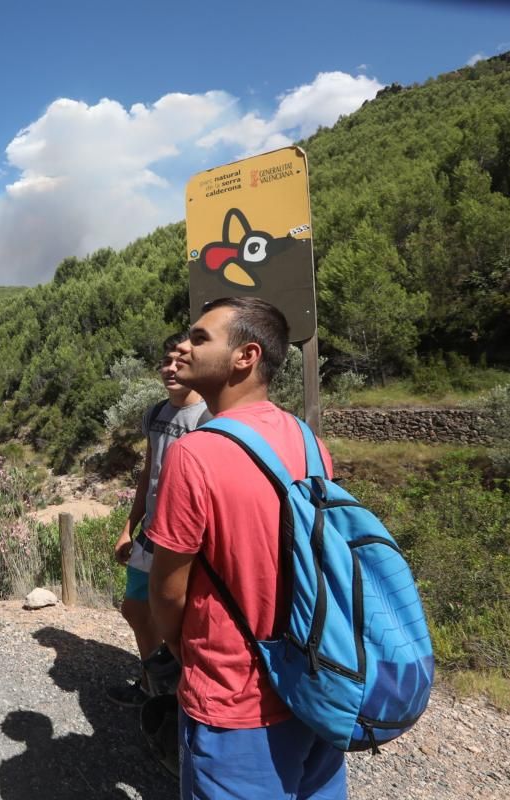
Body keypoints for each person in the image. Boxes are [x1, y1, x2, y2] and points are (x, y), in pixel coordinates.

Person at [148, 296, 346, 799]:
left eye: (200, 337)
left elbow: (168, 591)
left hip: (235, 697)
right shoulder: (306, 439)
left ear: (246, 356)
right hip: (316, 679)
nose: (184, 347)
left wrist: (178, 648)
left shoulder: (195, 453)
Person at [108, 333, 211, 708]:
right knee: (136, 608)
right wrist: (128, 527)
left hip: (185, 539)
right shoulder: (155, 414)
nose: (171, 369)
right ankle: (155, 685)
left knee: (181, 617)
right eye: (166, 362)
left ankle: (186, 696)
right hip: (152, 531)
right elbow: (148, 472)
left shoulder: (208, 417)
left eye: (180, 361)